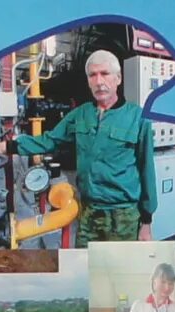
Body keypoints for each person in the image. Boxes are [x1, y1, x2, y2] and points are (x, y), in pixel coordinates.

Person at [57, 46, 152, 243]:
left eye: (105, 74)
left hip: (124, 217)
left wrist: (146, 222)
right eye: (93, 75)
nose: (99, 81)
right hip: (88, 214)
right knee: (86, 269)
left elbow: (147, 169)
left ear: (118, 78)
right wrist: (3, 147)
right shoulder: (81, 114)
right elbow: (48, 139)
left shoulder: (138, 117)